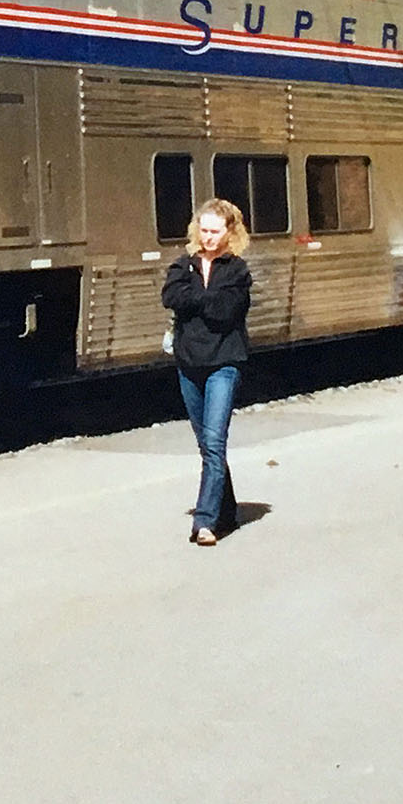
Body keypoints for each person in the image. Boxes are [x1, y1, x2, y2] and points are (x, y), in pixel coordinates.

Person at [161, 198, 253, 545]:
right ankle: (226, 511)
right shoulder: (181, 266)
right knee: (207, 447)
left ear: (230, 232)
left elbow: (225, 312)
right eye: (204, 229)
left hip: (224, 364)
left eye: (216, 231)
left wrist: (194, 297)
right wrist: (204, 297)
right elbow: (170, 297)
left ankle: (204, 522)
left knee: (215, 443)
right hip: (189, 364)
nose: (209, 237)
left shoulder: (237, 270)